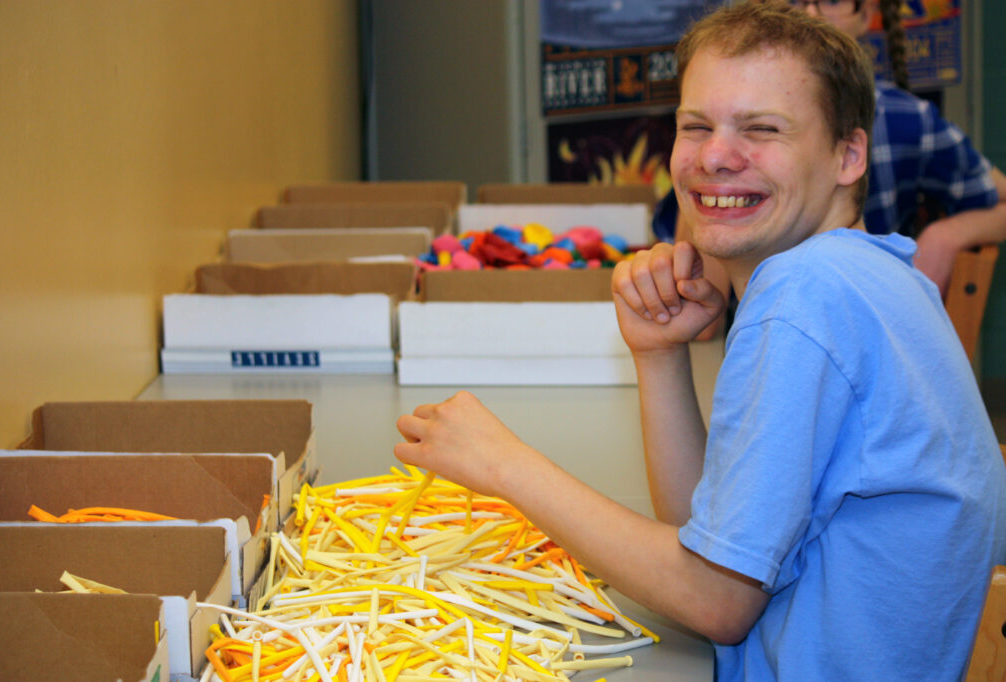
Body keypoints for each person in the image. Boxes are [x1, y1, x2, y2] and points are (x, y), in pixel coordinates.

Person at [394, 2, 1006, 679]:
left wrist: (505, 465)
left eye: (762, 129)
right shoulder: (874, 270)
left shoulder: (802, 294)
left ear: (848, 155)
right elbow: (707, 536)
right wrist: (660, 354)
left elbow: (716, 601)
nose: (716, 156)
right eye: (696, 126)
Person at [655, 0, 1006, 334]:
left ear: (866, 14)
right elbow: (700, 314)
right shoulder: (722, 144)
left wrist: (949, 235)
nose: (810, 13)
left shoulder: (908, 120)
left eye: (763, 128)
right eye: (697, 127)